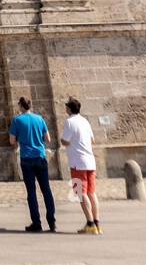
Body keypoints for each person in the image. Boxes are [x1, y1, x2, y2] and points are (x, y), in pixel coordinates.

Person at [9, 96, 56, 232]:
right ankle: (51, 220)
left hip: (27, 158)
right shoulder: (39, 119)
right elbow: (48, 139)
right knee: (46, 189)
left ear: (20, 106)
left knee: (31, 192)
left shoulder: (17, 120)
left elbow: (12, 141)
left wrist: (21, 137)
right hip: (40, 156)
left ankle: (36, 222)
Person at [61, 97, 102, 234]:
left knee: (81, 193)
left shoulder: (69, 122)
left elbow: (65, 141)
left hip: (77, 162)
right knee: (91, 192)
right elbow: (92, 140)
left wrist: (68, 142)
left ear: (69, 108)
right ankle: (96, 222)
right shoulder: (85, 121)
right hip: (90, 161)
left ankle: (90, 223)